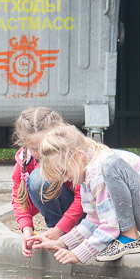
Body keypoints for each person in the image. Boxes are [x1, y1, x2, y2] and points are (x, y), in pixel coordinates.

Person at [32, 124, 140, 263]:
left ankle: (130, 238)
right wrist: (61, 243)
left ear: (79, 154)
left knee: (110, 165)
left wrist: (78, 254)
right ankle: (128, 236)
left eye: (64, 172)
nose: (64, 179)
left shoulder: (99, 168)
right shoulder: (85, 170)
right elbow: (94, 220)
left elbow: (110, 226)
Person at [10, 107, 84, 258]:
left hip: (88, 213)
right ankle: (58, 233)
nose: (42, 152)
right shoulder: (24, 162)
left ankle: (61, 233)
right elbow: (19, 200)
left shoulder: (73, 155)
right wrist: (26, 230)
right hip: (66, 217)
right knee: (38, 179)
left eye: (46, 144)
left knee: (40, 176)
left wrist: (59, 230)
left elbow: (82, 197)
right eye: (35, 148)